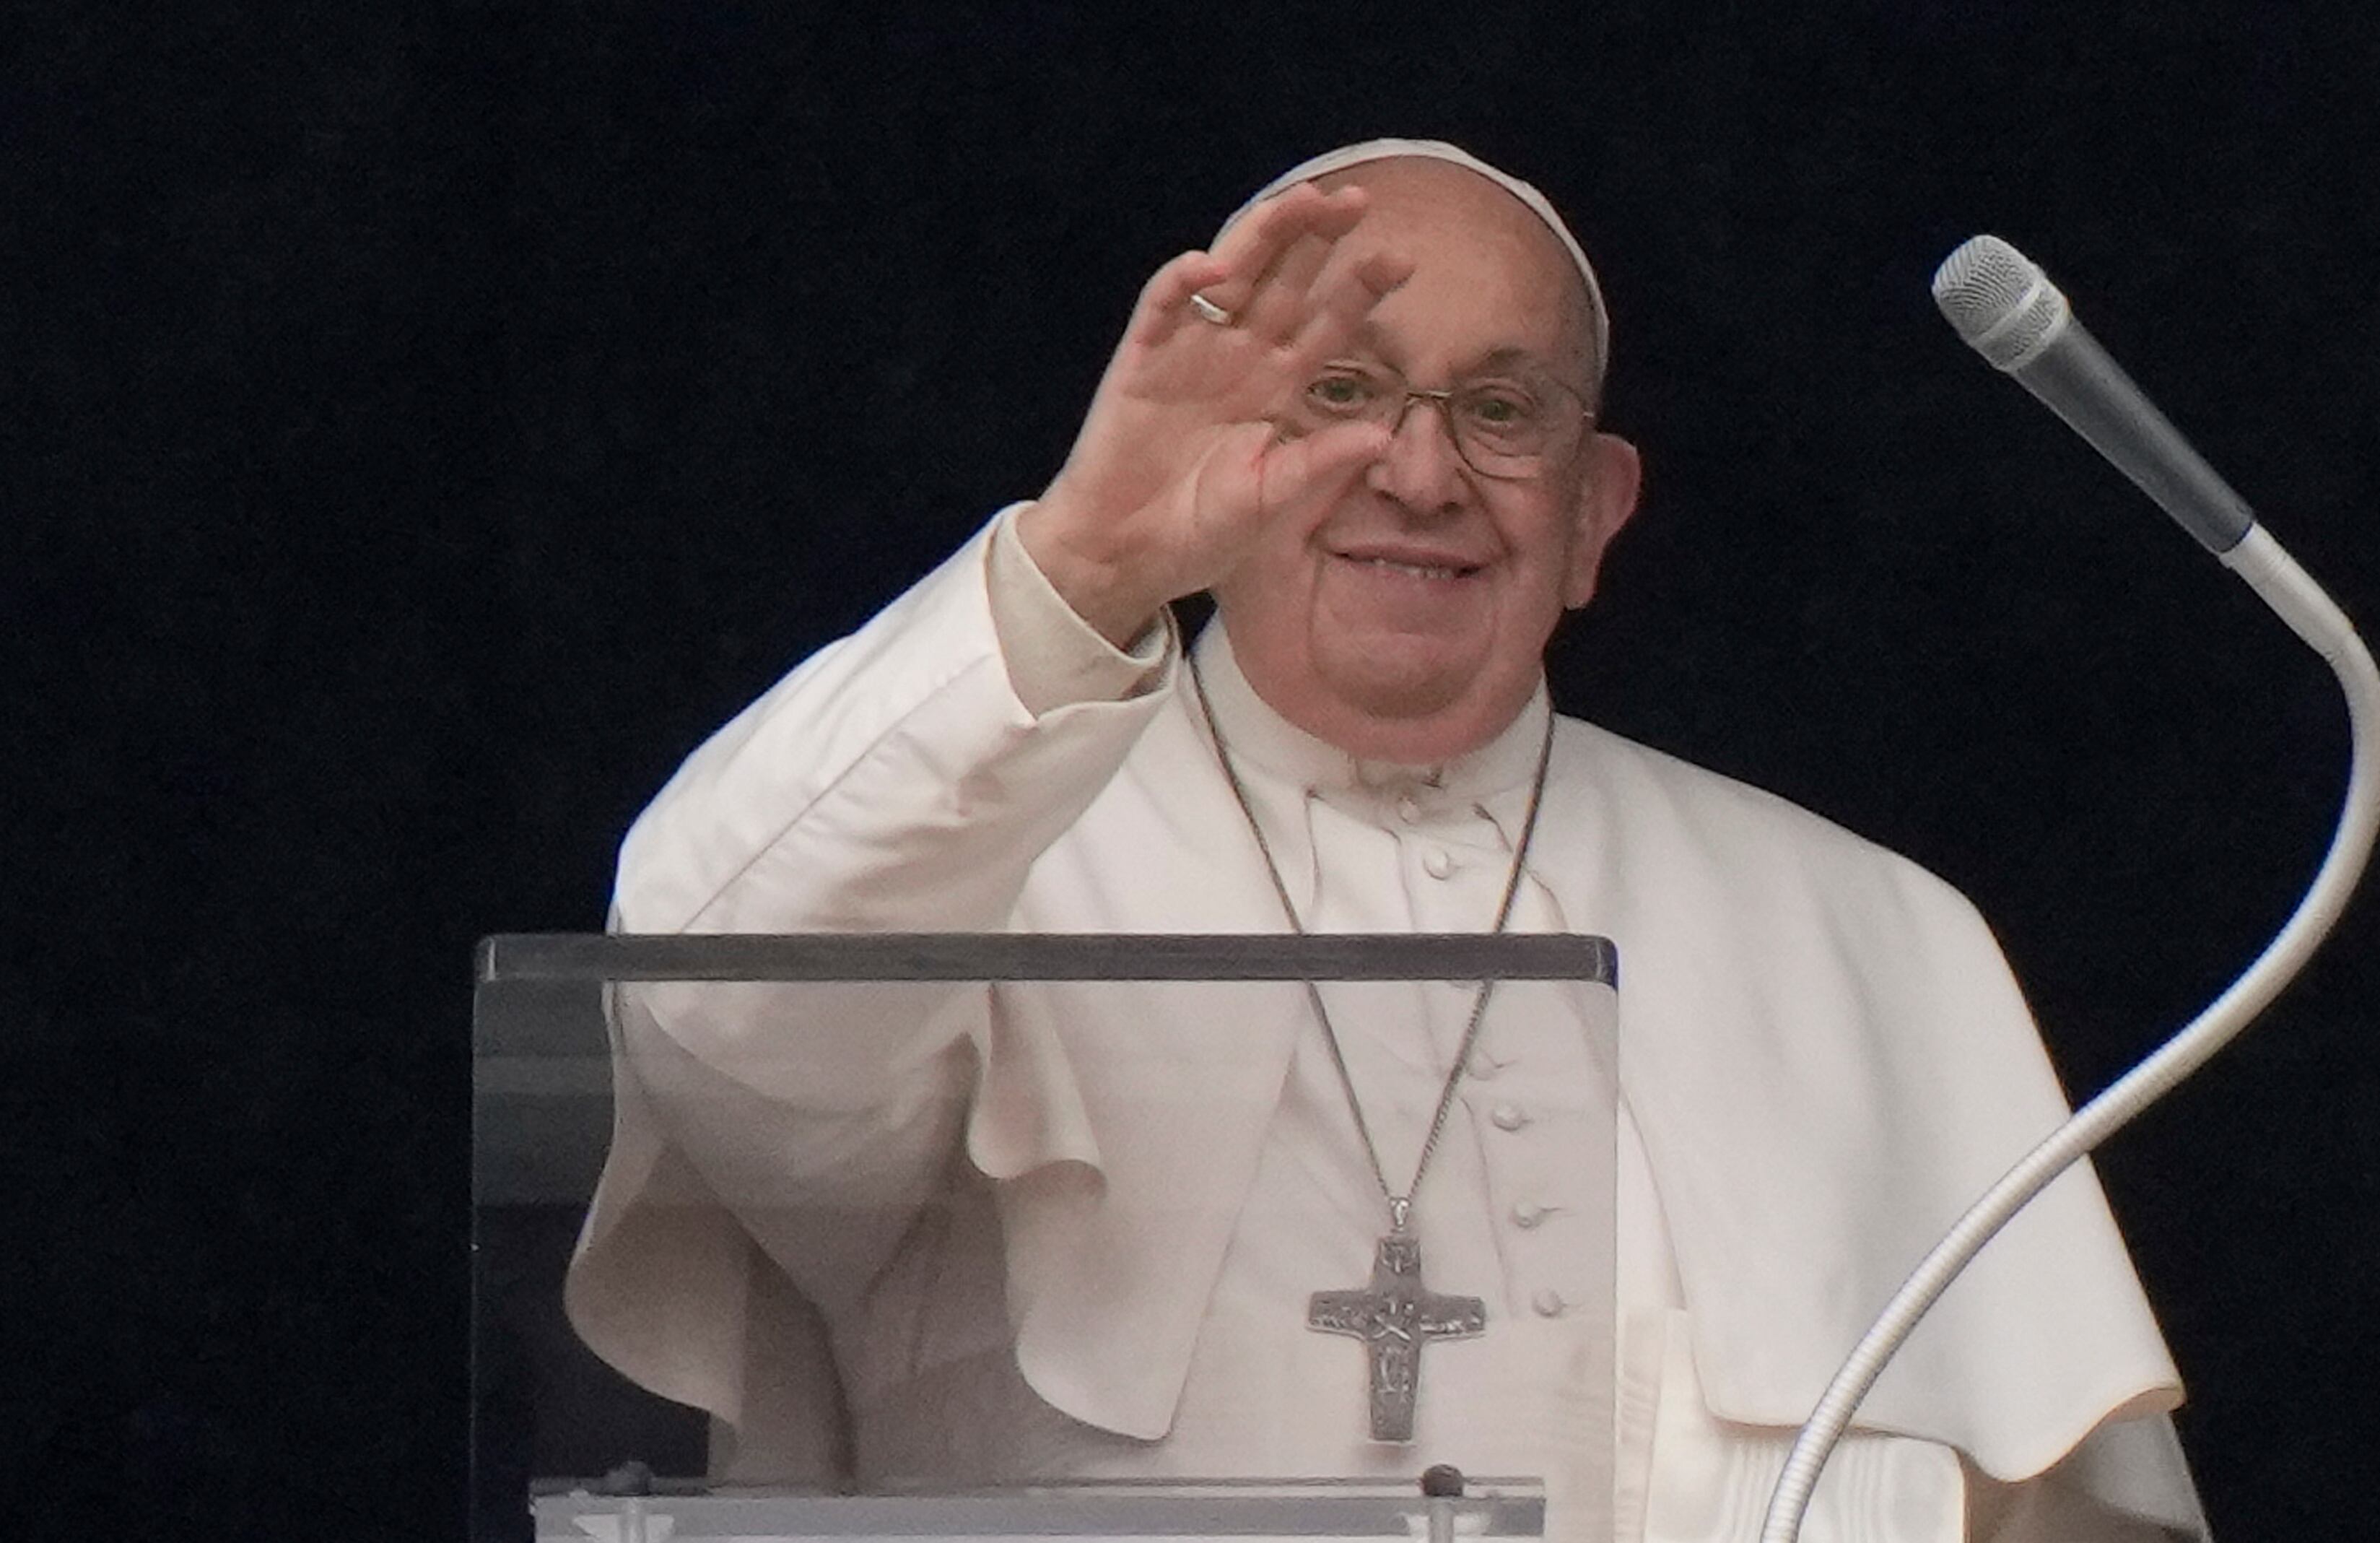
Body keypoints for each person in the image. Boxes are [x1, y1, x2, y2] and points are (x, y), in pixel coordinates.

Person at [568, 140, 2210, 1542]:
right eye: (1340, 397)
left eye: (1500, 409)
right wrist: (1087, 560)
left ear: (1594, 514)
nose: (1419, 475)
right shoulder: (970, 860)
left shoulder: (1871, 936)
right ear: (1209, 454)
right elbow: (714, 994)